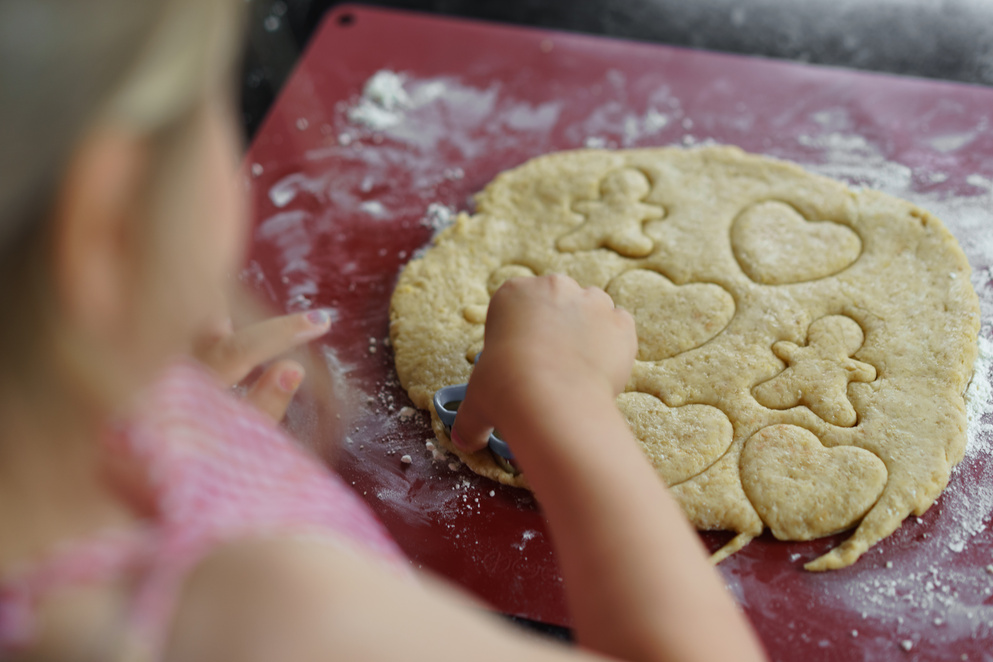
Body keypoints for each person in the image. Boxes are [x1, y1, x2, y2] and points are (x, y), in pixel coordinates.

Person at [0, 0, 768, 660]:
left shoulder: (68, 442)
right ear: (104, 223)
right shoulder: (262, 610)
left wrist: (139, 404)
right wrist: (564, 395)